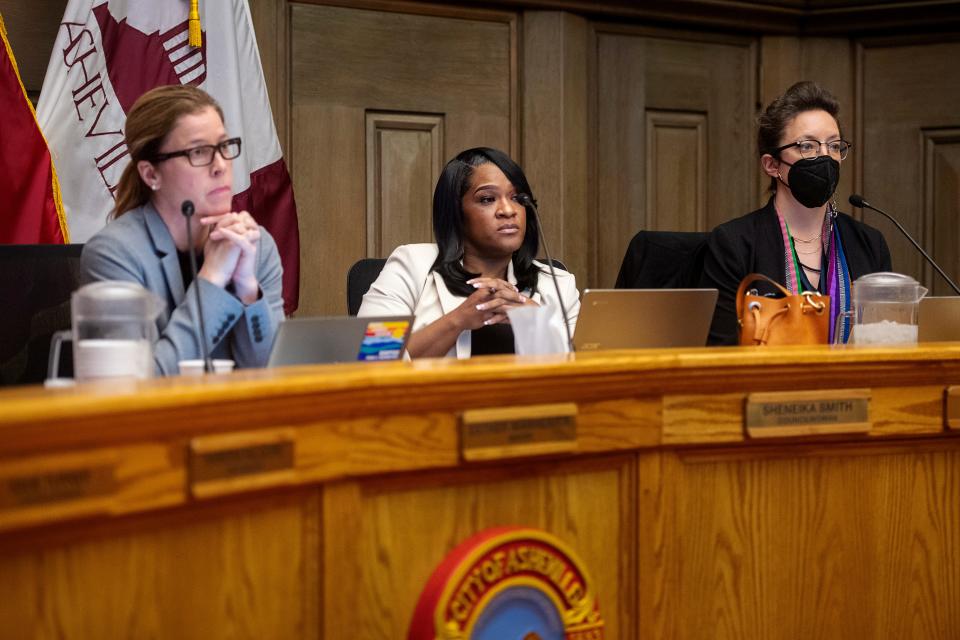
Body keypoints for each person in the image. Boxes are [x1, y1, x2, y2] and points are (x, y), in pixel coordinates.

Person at [81, 85, 284, 374]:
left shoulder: (254, 244)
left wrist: (248, 290)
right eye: (199, 152)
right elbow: (138, 382)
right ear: (151, 174)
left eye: (224, 147)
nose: (221, 166)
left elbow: (273, 373)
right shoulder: (114, 254)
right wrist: (213, 280)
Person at [700, 81, 891, 345]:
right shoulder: (735, 243)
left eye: (834, 146)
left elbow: (887, 344)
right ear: (772, 164)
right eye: (808, 146)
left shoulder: (869, 244)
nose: (826, 157)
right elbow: (719, 353)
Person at [358, 147, 580, 358]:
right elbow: (372, 356)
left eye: (516, 198)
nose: (508, 210)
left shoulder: (558, 285)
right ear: (456, 212)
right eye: (487, 199)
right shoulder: (412, 266)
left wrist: (537, 320)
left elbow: (585, 373)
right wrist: (460, 320)